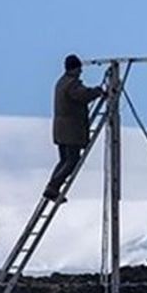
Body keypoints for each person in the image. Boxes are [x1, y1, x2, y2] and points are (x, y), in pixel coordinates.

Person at [44, 54, 106, 202]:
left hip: (61, 130)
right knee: (72, 161)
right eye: (79, 68)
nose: (81, 72)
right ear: (74, 68)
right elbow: (83, 95)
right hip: (71, 131)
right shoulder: (72, 85)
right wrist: (98, 92)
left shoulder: (61, 82)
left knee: (64, 160)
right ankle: (53, 187)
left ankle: (51, 186)